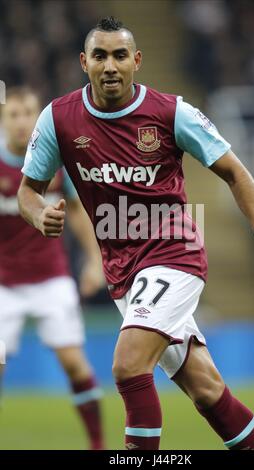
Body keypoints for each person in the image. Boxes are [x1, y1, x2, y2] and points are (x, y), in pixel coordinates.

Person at [18, 17, 254, 450]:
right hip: (123, 271)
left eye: (120, 55)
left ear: (137, 61)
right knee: (206, 390)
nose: (110, 66)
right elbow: (28, 190)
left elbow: (235, 173)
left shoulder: (172, 112)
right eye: (101, 56)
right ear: (83, 61)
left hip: (173, 254)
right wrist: (37, 216)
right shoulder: (58, 118)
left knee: (128, 366)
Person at [0, 87, 106, 450]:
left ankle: (98, 445)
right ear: (3, 121)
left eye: (28, 113)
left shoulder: (54, 161)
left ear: (37, 117)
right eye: (13, 114)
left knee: (76, 366)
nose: (21, 121)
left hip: (51, 277)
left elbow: (77, 212)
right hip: (3, 284)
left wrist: (95, 261)